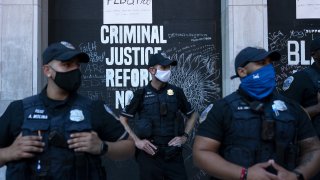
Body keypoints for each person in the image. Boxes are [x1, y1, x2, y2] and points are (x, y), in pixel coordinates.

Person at [0, 41, 135, 180]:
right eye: (67, 65)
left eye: (77, 65)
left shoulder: (94, 109)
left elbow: (129, 146)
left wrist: (102, 146)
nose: (75, 70)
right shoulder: (19, 110)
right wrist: (8, 153)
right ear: (47, 70)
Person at [193, 47, 320, 180]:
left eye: (270, 63)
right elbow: (202, 152)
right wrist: (244, 174)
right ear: (242, 72)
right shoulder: (223, 108)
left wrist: (296, 176)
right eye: (261, 63)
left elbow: (314, 149)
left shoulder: (292, 108)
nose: (269, 68)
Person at [119, 52, 198, 180]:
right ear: (152, 70)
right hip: (149, 155)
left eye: (169, 68)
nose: (168, 71)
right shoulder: (141, 93)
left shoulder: (177, 92)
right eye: (164, 67)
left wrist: (184, 137)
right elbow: (123, 119)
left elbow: (193, 115)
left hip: (173, 154)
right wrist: (137, 141)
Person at [282, 37, 320, 180]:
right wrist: (317, 108)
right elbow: (286, 115)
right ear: (314, 54)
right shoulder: (301, 79)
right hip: (313, 152)